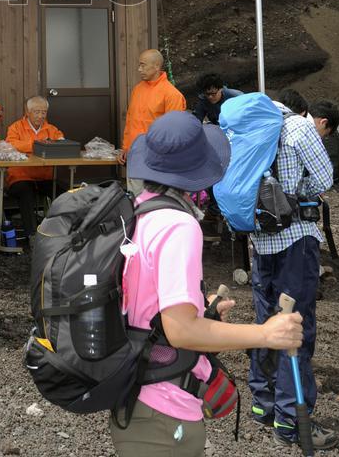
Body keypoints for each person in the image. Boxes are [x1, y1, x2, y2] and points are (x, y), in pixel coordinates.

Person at [113, 111, 303, 457]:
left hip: (136, 393)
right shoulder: (178, 226)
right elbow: (181, 331)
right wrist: (266, 334)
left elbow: (148, 304)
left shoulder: (139, 211)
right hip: (164, 410)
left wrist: (202, 307)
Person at [249, 97, 339, 450]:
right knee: (295, 325)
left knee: (266, 320)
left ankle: (263, 402)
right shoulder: (299, 127)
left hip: (259, 238)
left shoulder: (250, 127)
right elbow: (324, 179)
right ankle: (291, 420)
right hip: (294, 239)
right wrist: (296, 188)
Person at [118, 50, 186, 196]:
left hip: (156, 158)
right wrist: (125, 147)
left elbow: (174, 133)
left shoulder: (172, 95)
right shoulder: (137, 89)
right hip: (134, 154)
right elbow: (130, 120)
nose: (139, 69)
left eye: (143, 65)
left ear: (156, 66)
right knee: (134, 198)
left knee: (154, 200)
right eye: (139, 65)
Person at [6, 96, 64, 241]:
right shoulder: (16, 127)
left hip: (46, 176)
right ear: (28, 112)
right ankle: (32, 235)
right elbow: (11, 145)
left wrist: (34, 146)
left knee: (64, 194)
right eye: (37, 112)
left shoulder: (51, 129)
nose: (40, 116)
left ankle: (62, 233)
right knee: (26, 193)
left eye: (43, 112)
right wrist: (37, 144)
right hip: (21, 176)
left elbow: (62, 143)